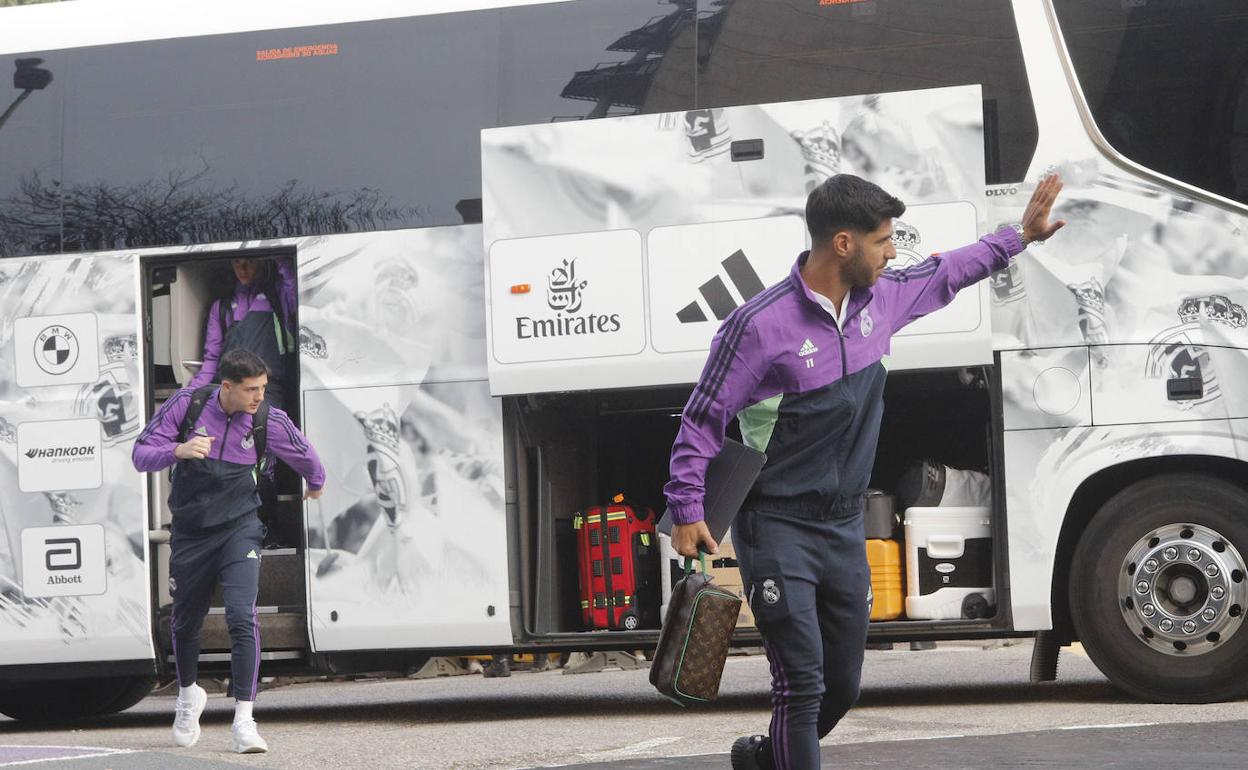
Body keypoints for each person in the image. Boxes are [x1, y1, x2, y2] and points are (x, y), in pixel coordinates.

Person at [664, 173, 1065, 770]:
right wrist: (687, 506)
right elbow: (704, 415)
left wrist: (1020, 238)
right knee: (801, 687)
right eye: (883, 241)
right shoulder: (757, 326)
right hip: (775, 526)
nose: (893, 252)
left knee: (841, 689)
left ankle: (763, 757)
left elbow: (948, 270)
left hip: (844, 527)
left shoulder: (883, 299)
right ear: (843, 244)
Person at [132, 348, 325, 754]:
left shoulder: (266, 419)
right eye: (251, 389)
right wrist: (178, 450)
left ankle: (244, 720)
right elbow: (140, 455)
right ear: (226, 386)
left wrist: (316, 480)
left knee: (242, 616)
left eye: (263, 388)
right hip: (191, 531)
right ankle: (188, 698)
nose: (259, 396)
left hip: (240, 528)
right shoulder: (187, 405)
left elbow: (305, 454)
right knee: (185, 623)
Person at [189, 257, 296, 411]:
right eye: (236, 262)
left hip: (267, 391)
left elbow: (299, 301)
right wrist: (189, 395)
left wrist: (279, 257)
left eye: (250, 261)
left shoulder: (278, 297)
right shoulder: (221, 307)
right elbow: (211, 360)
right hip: (230, 392)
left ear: (262, 262)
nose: (242, 269)